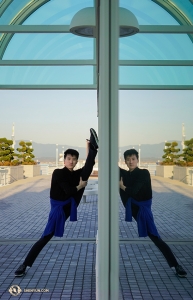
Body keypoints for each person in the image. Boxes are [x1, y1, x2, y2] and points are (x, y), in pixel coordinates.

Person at [15, 128, 99, 277]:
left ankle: (93, 148)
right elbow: (68, 191)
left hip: (71, 203)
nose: (71, 161)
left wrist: (87, 149)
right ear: (64, 159)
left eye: (74, 159)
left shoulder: (75, 173)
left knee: (85, 171)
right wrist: (80, 186)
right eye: (68, 158)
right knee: (46, 236)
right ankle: (25, 264)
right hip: (60, 208)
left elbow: (87, 168)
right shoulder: (58, 173)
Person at [119, 149, 187, 278]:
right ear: (125, 161)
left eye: (133, 158)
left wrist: (122, 187)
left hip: (143, 209)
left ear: (137, 159)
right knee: (117, 173)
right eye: (128, 159)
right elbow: (111, 164)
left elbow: (134, 191)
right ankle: (176, 265)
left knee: (155, 237)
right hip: (132, 206)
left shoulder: (144, 173)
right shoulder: (124, 174)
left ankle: (176, 265)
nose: (130, 161)